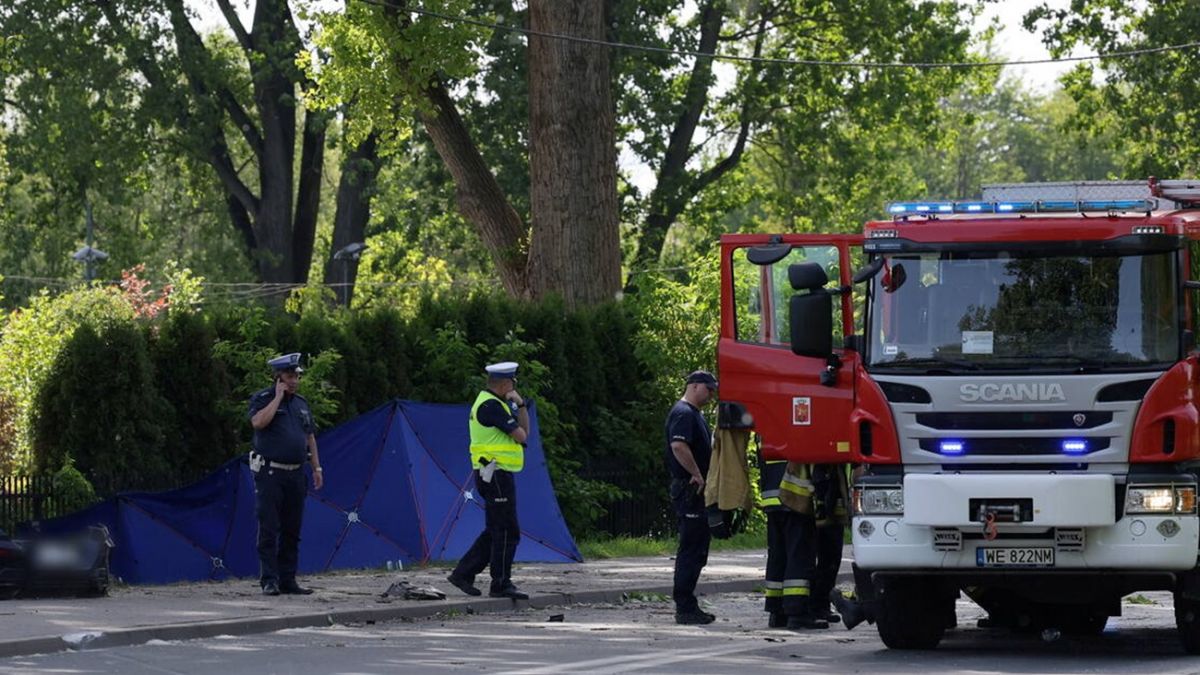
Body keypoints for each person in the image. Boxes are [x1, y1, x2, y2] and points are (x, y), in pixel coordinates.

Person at [447, 361, 531, 600]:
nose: (515, 386)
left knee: (497, 528)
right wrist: (520, 405)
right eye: (513, 383)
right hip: (495, 474)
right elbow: (522, 435)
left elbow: (524, 437)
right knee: (506, 530)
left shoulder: (495, 403)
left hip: (494, 473)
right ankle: (500, 583)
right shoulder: (492, 407)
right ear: (505, 384)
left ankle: (463, 574)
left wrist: (521, 405)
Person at [248, 352, 323, 596]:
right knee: (269, 527)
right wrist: (278, 397)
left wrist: (316, 468)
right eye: (290, 377)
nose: (294, 381)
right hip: (271, 473)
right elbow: (258, 423)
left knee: (292, 528)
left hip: (295, 474)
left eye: (297, 377)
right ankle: (269, 579)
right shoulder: (264, 399)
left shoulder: (301, 403)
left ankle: (288, 579)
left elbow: (309, 435)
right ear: (278, 377)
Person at [665, 370, 718, 625]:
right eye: (709, 389)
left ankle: (688, 604)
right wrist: (696, 473)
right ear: (695, 386)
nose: (711, 395)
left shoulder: (693, 414)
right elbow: (678, 445)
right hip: (690, 490)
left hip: (695, 491)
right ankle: (684, 607)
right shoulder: (684, 413)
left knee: (698, 549)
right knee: (691, 548)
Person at [760, 458, 827, 630]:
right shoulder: (795, 429)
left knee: (777, 555)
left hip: (771, 497)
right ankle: (797, 613)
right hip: (795, 497)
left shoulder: (766, 430)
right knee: (799, 555)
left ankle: (776, 611)